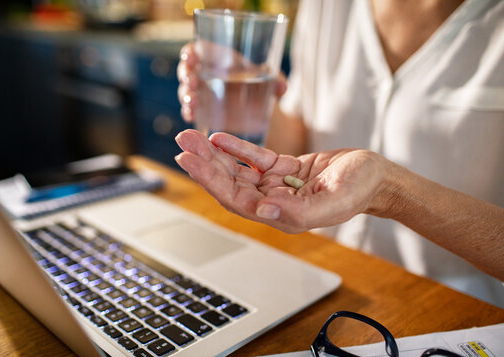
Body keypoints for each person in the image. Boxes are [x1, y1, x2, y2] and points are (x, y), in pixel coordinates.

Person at [176, 0, 504, 307]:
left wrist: (390, 191)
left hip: (461, 310)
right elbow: (296, 150)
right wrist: (246, 99)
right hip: (322, 281)